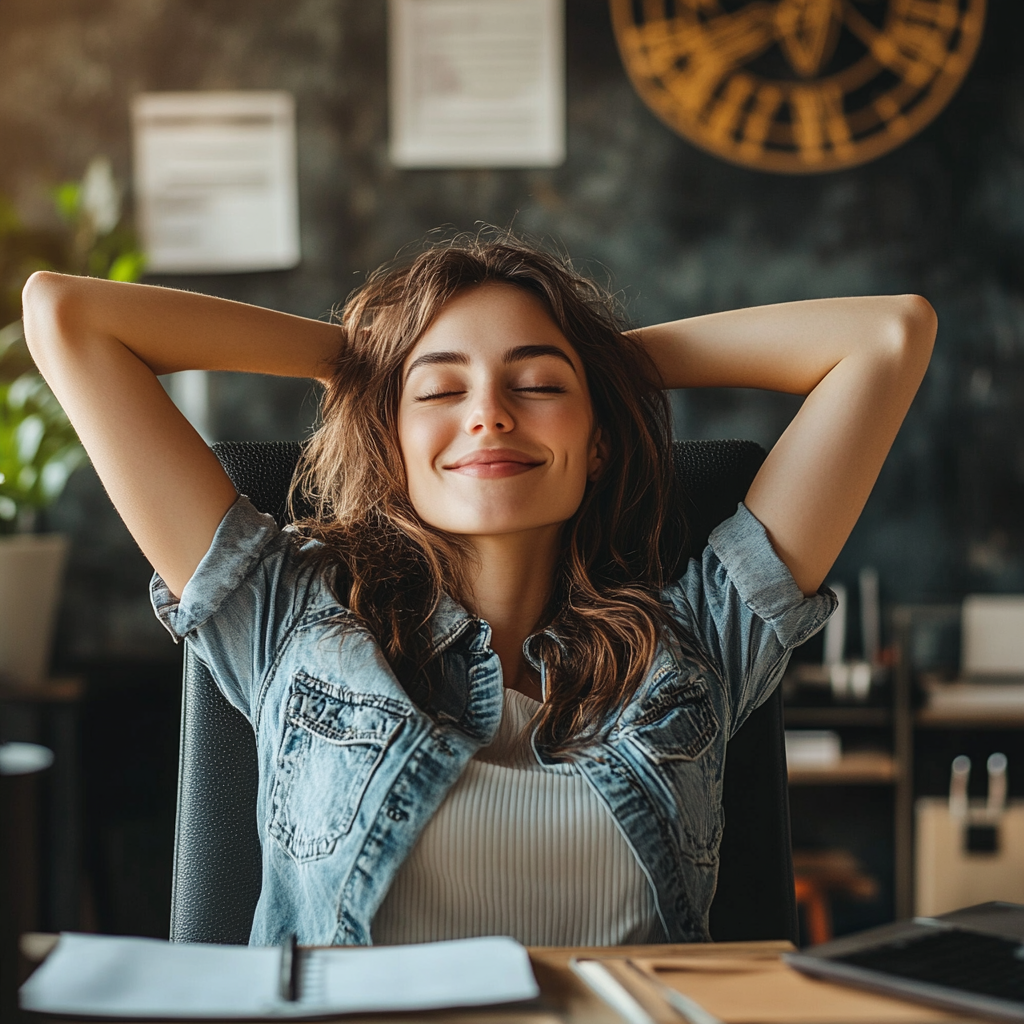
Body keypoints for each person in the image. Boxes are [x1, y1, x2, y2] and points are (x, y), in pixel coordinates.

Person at [22, 232, 936, 948]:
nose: (490, 411)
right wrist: (358, 358)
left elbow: (887, 338)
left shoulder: (696, 642)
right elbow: (65, 315)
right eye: (439, 392)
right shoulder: (287, 616)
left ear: (602, 438)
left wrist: (611, 368)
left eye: (538, 383)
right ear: (391, 443)